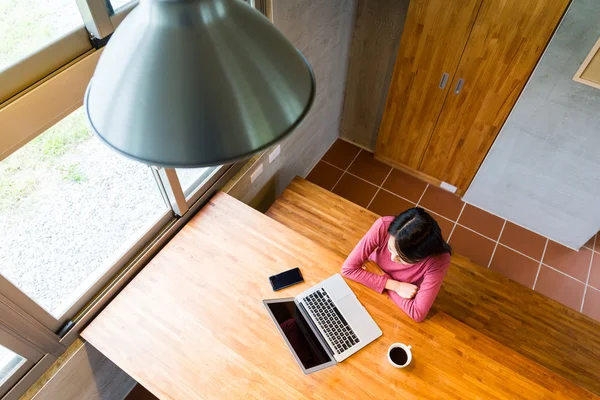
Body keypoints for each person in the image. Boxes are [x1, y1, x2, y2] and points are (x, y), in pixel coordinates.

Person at [341, 208, 451, 322]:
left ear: (421, 257)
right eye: (390, 249)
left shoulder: (439, 260)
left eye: (403, 258)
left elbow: (417, 313)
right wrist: (396, 286)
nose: (393, 258)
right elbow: (347, 270)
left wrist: (379, 274)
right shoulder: (384, 225)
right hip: (388, 290)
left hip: (385, 287)